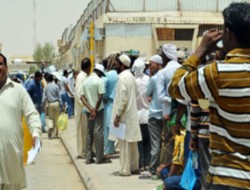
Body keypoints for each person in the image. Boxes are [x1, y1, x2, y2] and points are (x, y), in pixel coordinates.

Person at [168, 2, 250, 189]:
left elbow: (176, 88)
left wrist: (200, 50)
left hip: (226, 178)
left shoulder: (216, 73)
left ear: (228, 34)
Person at [0, 53, 41, 189]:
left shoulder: (18, 90)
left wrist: (35, 133)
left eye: (0, 64)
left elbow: (32, 114)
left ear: (6, 67)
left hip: (11, 159)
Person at [112, 54, 142, 176]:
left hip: (124, 115)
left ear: (122, 65)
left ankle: (125, 169)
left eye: (117, 63)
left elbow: (122, 99)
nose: (115, 65)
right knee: (132, 143)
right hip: (132, 114)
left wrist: (117, 116)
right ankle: (134, 167)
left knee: (124, 143)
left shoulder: (122, 78)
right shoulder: (131, 77)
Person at [81, 63, 110, 164]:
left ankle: (88, 158)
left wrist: (90, 109)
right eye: (101, 73)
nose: (101, 75)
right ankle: (99, 158)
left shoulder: (85, 81)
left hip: (88, 111)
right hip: (98, 111)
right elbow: (100, 96)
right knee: (98, 133)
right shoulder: (99, 81)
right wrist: (95, 110)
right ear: (98, 72)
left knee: (89, 133)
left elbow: (82, 97)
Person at [157, 44, 181, 165]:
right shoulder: (183, 69)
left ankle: (165, 168)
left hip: (168, 114)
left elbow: (160, 96)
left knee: (167, 141)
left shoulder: (162, 73)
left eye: (162, 55)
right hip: (183, 114)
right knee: (180, 140)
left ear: (166, 56)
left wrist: (172, 101)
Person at [145, 55, 164, 176]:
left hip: (154, 115)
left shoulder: (154, 78)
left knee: (155, 144)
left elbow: (147, 93)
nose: (149, 67)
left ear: (157, 64)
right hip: (165, 114)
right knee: (164, 144)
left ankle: (153, 169)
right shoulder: (166, 76)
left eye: (151, 64)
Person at [132, 58, 150, 172]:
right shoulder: (149, 79)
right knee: (148, 142)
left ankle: (141, 164)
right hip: (148, 114)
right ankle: (148, 163)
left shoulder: (133, 81)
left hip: (137, 115)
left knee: (139, 142)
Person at [103, 53, 120, 157]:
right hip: (118, 103)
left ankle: (109, 149)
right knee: (117, 127)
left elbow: (104, 89)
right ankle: (114, 147)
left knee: (108, 127)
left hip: (109, 103)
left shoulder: (108, 75)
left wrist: (104, 97)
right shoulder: (118, 75)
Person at [74, 58, 89, 159]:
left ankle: (84, 151)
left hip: (83, 108)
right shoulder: (81, 77)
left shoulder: (82, 76)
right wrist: (85, 106)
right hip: (82, 109)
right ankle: (82, 152)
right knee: (82, 132)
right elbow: (79, 94)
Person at [42, 74, 61, 139]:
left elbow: (44, 97)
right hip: (56, 103)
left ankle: (50, 130)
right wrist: (62, 105)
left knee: (50, 119)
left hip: (50, 104)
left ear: (47, 80)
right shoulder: (56, 86)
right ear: (53, 79)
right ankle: (56, 134)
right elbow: (59, 96)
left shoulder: (46, 87)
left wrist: (43, 104)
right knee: (56, 119)